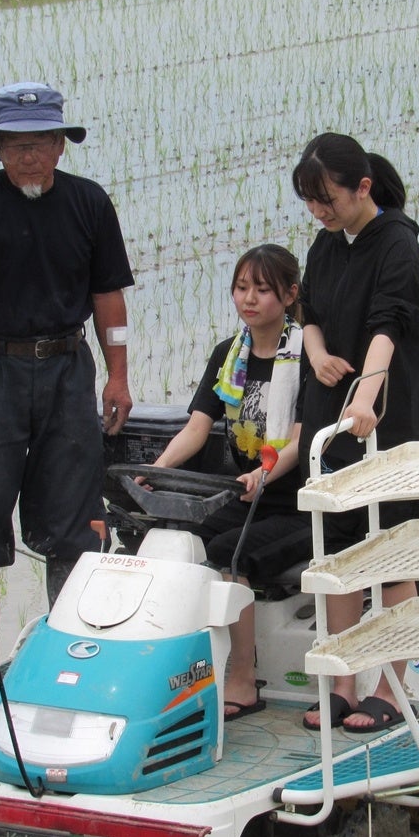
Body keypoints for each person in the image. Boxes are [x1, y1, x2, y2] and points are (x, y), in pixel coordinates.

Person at [0, 81, 135, 687]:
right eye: (15, 145)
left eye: (40, 143)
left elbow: (108, 296)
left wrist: (118, 376)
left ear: (60, 146)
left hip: (67, 368)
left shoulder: (89, 204)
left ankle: (70, 636)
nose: (28, 156)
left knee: (73, 510)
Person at [292, 132, 419, 733]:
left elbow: (386, 329)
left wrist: (364, 399)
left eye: (329, 200)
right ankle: (344, 682)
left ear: (363, 187)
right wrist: (318, 355)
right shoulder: (325, 247)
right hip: (329, 408)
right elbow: (310, 316)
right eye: (311, 202)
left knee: (392, 554)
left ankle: (394, 689)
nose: (321, 213)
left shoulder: (399, 246)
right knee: (340, 548)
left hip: (381, 416)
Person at [145, 244, 311, 720]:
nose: (249, 299)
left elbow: (299, 440)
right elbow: (197, 428)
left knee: (228, 551)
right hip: (245, 490)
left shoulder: (303, 358)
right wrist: (156, 470)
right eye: (241, 288)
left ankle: (244, 674)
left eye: (262, 289)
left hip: (293, 501)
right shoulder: (229, 354)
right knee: (178, 535)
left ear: (290, 294)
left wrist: (263, 472)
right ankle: (180, 662)